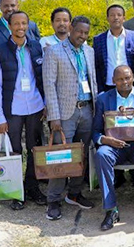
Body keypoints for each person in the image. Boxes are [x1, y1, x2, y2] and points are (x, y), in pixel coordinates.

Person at [42, 15, 98, 220]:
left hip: (87, 110)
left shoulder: (89, 51)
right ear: (71, 28)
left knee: (80, 155)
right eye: (79, 31)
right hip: (65, 113)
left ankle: (74, 193)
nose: (82, 36)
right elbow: (49, 85)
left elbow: (92, 81)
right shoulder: (54, 51)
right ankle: (53, 200)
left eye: (86, 33)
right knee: (61, 156)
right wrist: (54, 117)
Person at [92, 65, 134, 230]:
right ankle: (111, 210)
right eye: (120, 79)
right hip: (115, 147)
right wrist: (105, 139)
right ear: (113, 81)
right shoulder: (103, 99)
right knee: (101, 155)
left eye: (128, 78)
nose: (125, 82)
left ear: (133, 78)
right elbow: (95, 131)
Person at [0, 11, 47, 210]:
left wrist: (46, 104)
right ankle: (17, 192)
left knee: (34, 149)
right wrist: (0, 117)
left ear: (28, 25)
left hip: (35, 106)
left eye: (24, 23)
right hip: (12, 109)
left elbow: (42, 78)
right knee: (15, 152)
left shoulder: (36, 47)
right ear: (10, 26)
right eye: (16, 23)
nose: (20, 27)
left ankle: (32, 187)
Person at [94, 5, 134, 93]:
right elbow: (97, 66)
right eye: (112, 15)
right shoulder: (99, 39)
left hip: (130, 85)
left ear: (124, 18)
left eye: (119, 15)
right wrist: (100, 89)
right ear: (107, 18)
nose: (116, 18)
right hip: (108, 86)